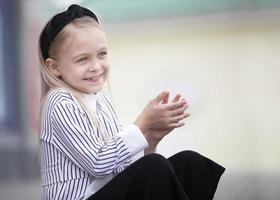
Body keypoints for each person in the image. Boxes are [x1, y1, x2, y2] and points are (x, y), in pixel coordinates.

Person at [38, 4, 225, 200]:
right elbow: (99, 164)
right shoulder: (59, 102)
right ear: (54, 67)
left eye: (101, 54)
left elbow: (122, 167)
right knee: (155, 166)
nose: (96, 66)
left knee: (190, 163)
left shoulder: (101, 100)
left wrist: (151, 138)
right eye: (82, 59)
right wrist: (142, 122)